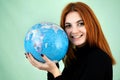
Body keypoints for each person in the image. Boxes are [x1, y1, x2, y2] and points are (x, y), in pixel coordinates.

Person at [25, 2, 116, 80]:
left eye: (80, 24)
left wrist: (55, 72)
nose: (74, 31)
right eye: (68, 26)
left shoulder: (98, 58)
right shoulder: (75, 57)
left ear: (91, 25)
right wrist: (52, 69)